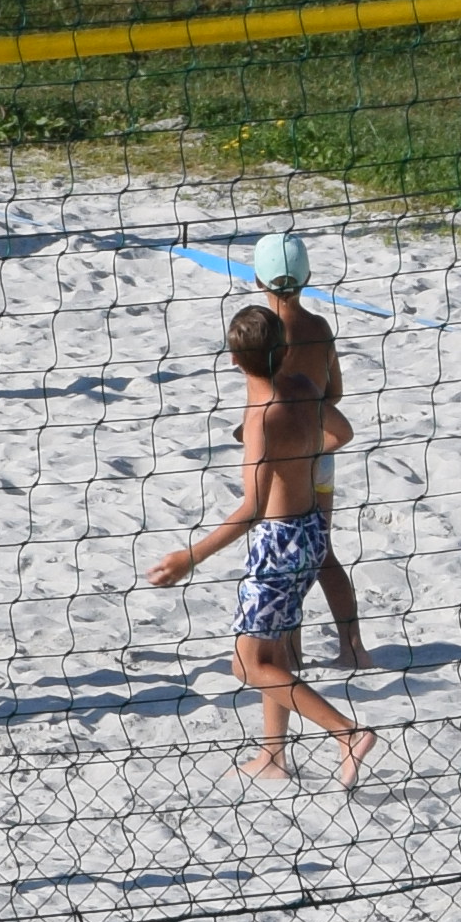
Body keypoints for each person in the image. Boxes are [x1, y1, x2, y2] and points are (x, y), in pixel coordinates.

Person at [151, 297, 369, 786]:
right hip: (313, 530)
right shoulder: (306, 387)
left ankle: (346, 732)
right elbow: (344, 431)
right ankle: (273, 756)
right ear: (285, 347)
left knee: (249, 666)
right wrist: (304, 459)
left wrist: (191, 556)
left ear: (232, 360)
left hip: (279, 542)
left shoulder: (260, 418)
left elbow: (252, 509)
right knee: (273, 656)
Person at [244, 226, 370, 668]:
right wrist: (309, 411)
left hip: (280, 462)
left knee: (281, 556)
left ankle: (290, 651)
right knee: (320, 552)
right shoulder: (319, 327)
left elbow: (264, 402)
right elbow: (333, 392)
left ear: (257, 281)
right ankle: (352, 646)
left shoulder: (261, 337)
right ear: (309, 274)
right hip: (321, 451)